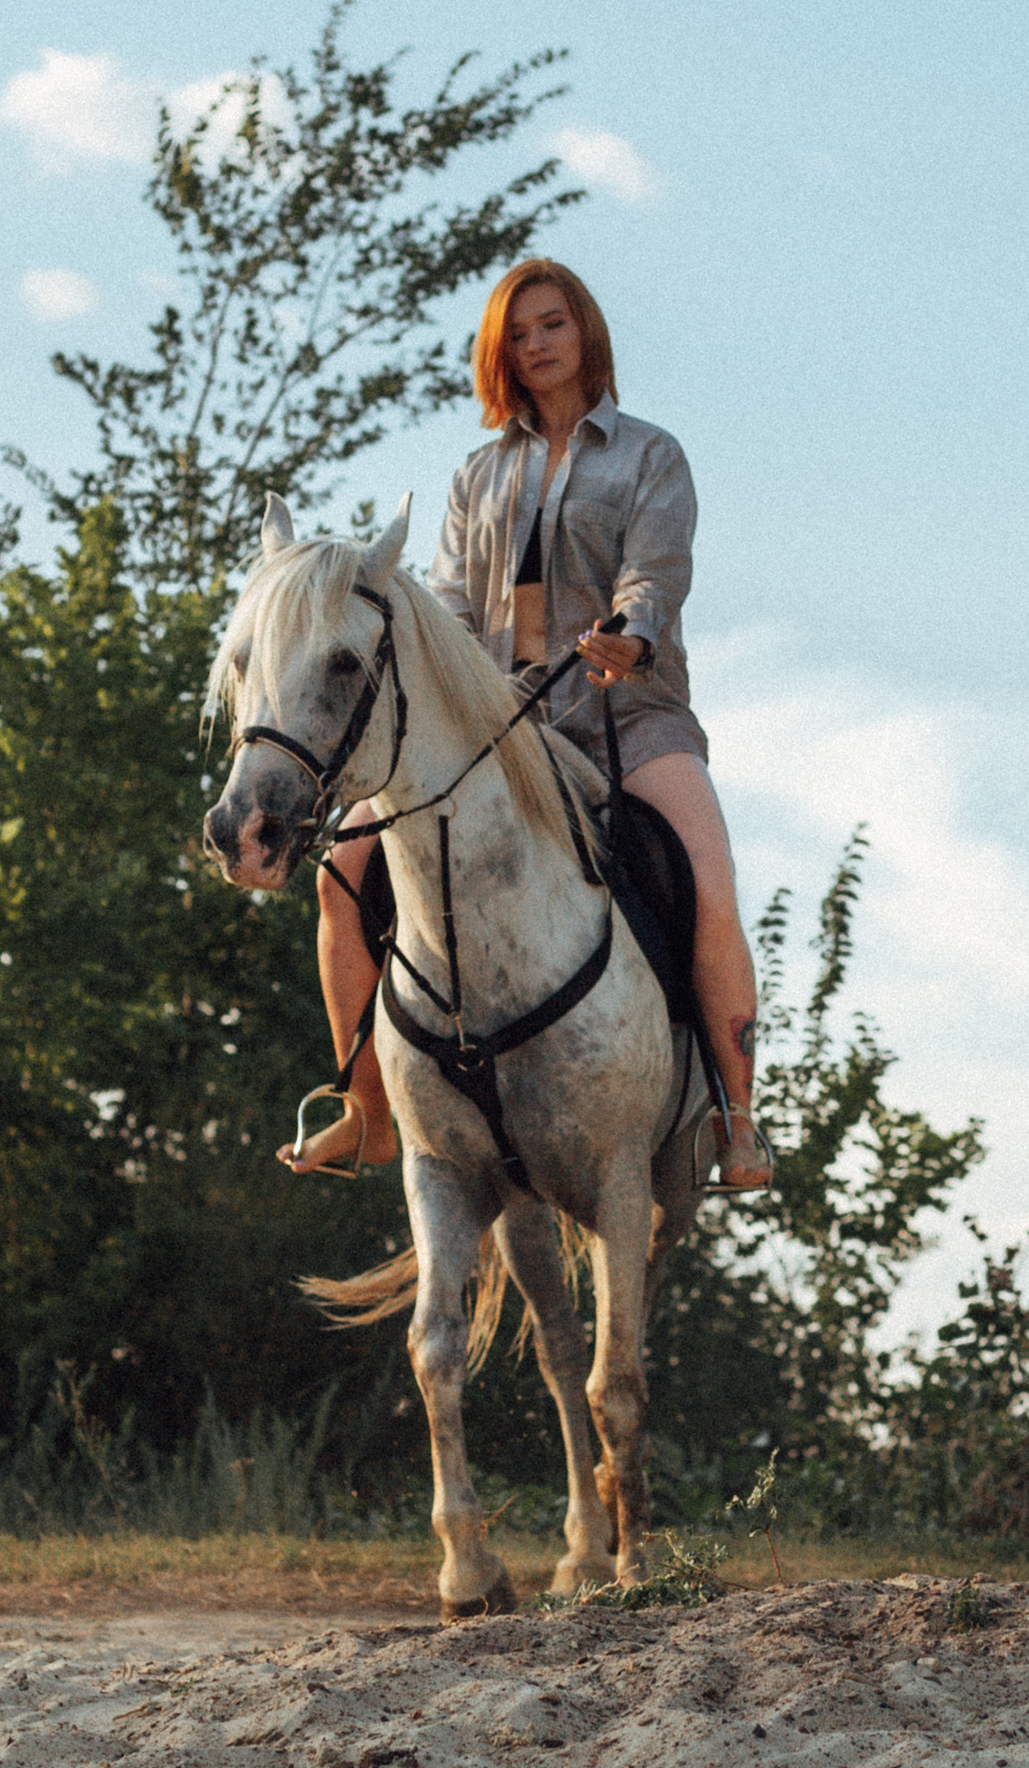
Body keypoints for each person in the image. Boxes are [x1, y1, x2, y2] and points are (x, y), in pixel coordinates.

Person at [279, 256, 772, 1191]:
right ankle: (367, 1110)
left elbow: (656, 572)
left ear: (585, 332)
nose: (536, 344)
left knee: (708, 882)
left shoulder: (650, 455)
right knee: (342, 875)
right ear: (497, 353)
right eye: (518, 332)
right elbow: (454, 605)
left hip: (632, 714)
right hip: (502, 732)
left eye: (552, 324)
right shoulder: (478, 474)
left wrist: (631, 634)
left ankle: (737, 1115)